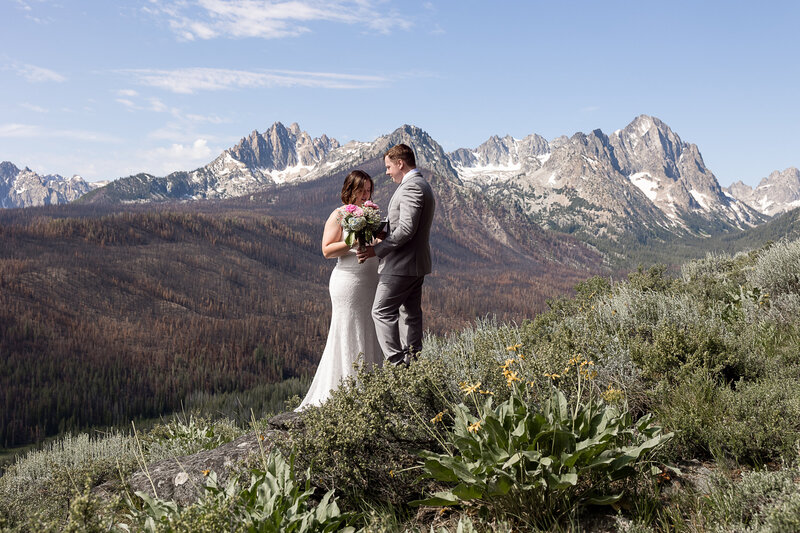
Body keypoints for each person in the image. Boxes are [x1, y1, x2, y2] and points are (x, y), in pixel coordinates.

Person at [296, 170, 383, 410]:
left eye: (369, 190)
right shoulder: (338, 215)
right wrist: (353, 241)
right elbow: (326, 250)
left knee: (371, 327)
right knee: (349, 328)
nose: (366, 195)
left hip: (370, 281)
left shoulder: (371, 213)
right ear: (351, 190)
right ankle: (348, 388)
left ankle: (372, 386)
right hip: (348, 282)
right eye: (362, 190)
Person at [357, 144, 435, 366]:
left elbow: (407, 229)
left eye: (389, 166)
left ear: (400, 163)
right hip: (415, 264)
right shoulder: (421, 185)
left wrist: (376, 250)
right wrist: (377, 228)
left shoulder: (412, 187)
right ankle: (414, 365)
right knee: (410, 315)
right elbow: (404, 225)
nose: (387, 172)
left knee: (381, 312)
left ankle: (398, 365)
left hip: (402, 265)